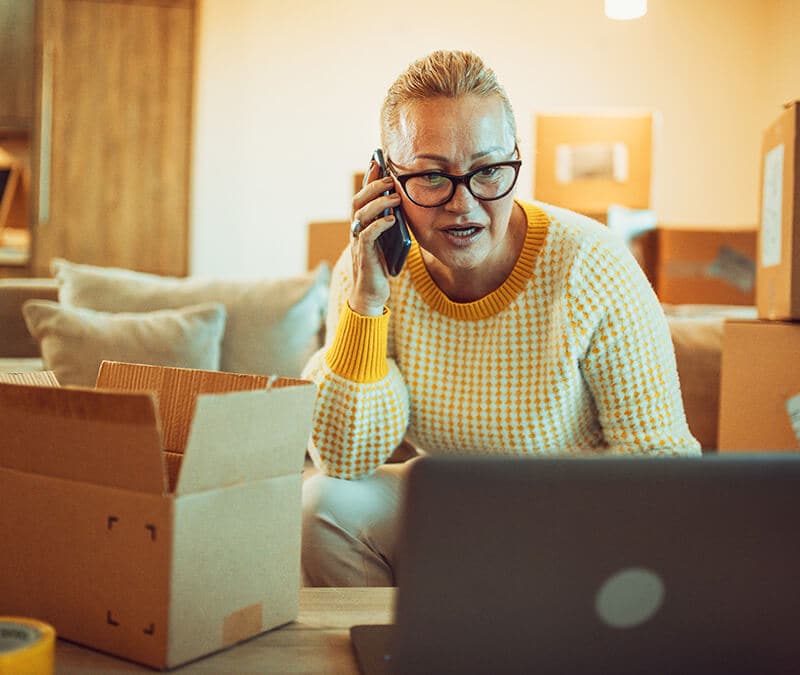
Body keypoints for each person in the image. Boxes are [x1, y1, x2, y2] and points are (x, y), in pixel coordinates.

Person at [301, 50, 700, 587]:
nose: (463, 204)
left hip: (580, 521)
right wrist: (368, 302)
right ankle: (393, 649)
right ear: (384, 179)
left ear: (516, 160)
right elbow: (345, 457)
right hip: (452, 505)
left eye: (489, 171)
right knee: (323, 505)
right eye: (431, 176)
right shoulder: (374, 267)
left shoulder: (593, 264)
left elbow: (661, 466)